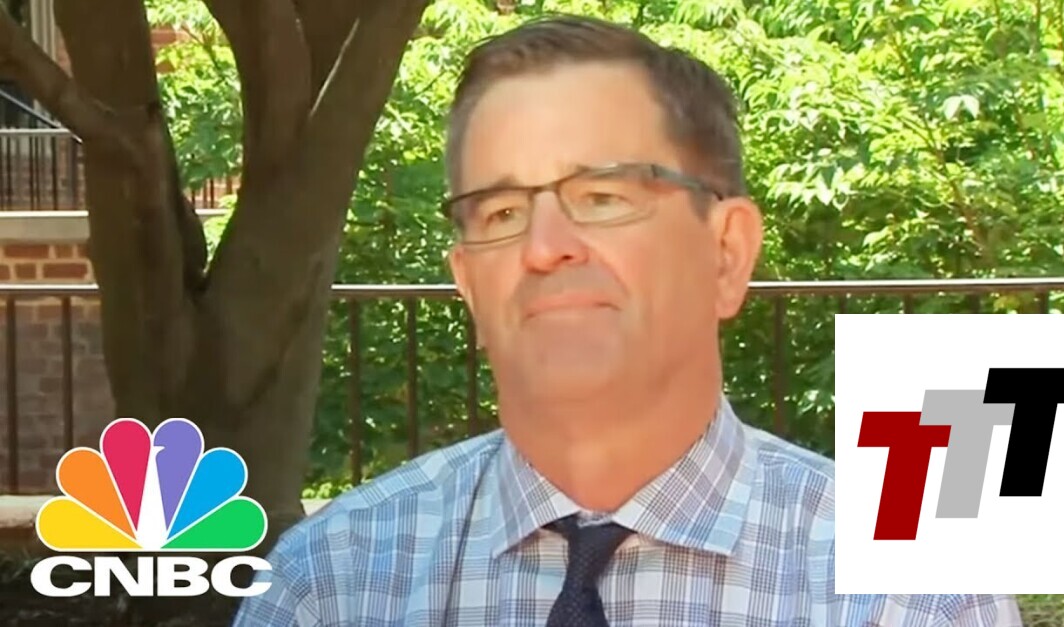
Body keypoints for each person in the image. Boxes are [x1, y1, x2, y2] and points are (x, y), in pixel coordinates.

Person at [234, 14, 1023, 626]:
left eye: (603, 197)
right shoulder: (332, 581)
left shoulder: (913, 594)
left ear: (725, 252)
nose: (543, 247)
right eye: (502, 210)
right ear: (468, 283)